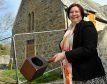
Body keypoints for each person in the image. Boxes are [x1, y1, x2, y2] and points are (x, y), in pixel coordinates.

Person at [49, 3, 106, 84]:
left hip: (88, 74)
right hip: (73, 73)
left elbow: (89, 49)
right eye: (71, 12)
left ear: (81, 14)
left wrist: (65, 55)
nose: (74, 14)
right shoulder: (68, 32)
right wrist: (60, 54)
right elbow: (67, 49)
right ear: (68, 15)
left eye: (77, 11)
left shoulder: (87, 26)